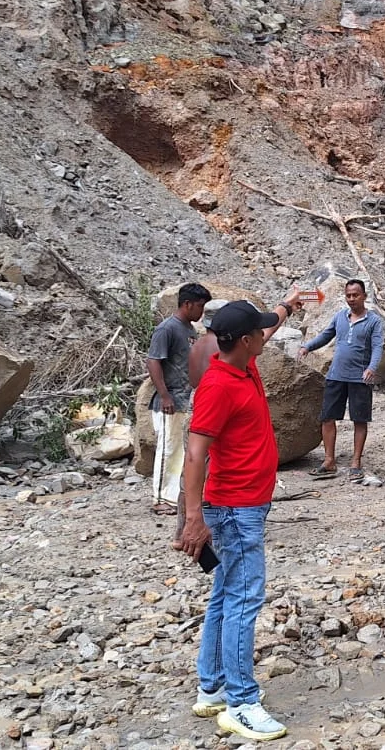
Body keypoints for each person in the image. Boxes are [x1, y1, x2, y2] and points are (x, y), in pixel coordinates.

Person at [177, 292, 302, 742]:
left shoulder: (243, 362)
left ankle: (211, 688)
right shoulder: (219, 386)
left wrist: (287, 305)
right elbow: (195, 456)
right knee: (244, 599)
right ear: (244, 341)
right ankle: (241, 702)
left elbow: (266, 326)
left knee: (226, 594)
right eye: (260, 333)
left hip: (242, 504)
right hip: (233, 508)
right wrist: (194, 518)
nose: (265, 336)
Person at [298, 279, 385, 482]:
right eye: (348, 295)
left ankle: (356, 462)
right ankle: (329, 461)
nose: (352, 299)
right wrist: (307, 347)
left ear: (364, 296)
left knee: (359, 419)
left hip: (360, 378)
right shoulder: (340, 317)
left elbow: (378, 346)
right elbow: (326, 335)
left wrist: (372, 368)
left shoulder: (373, 321)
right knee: (327, 417)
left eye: (355, 295)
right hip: (336, 375)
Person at [165, 298, 226, 549]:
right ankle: (207, 532)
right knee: (211, 474)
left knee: (188, 474)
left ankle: (180, 533)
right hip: (211, 413)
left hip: (194, 406)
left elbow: (192, 379)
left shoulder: (197, 344)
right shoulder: (222, 347)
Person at [147, 283, 211, 514]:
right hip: (170, 399)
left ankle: (175, 496)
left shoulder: (188, 329)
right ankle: (159, 498)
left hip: (186, 398)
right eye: (200, 306)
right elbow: (153, 361)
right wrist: (164, 395)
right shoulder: (168, 329)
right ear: (187, 304)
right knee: (168, 448)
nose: (201, 312)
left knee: (181, 451)